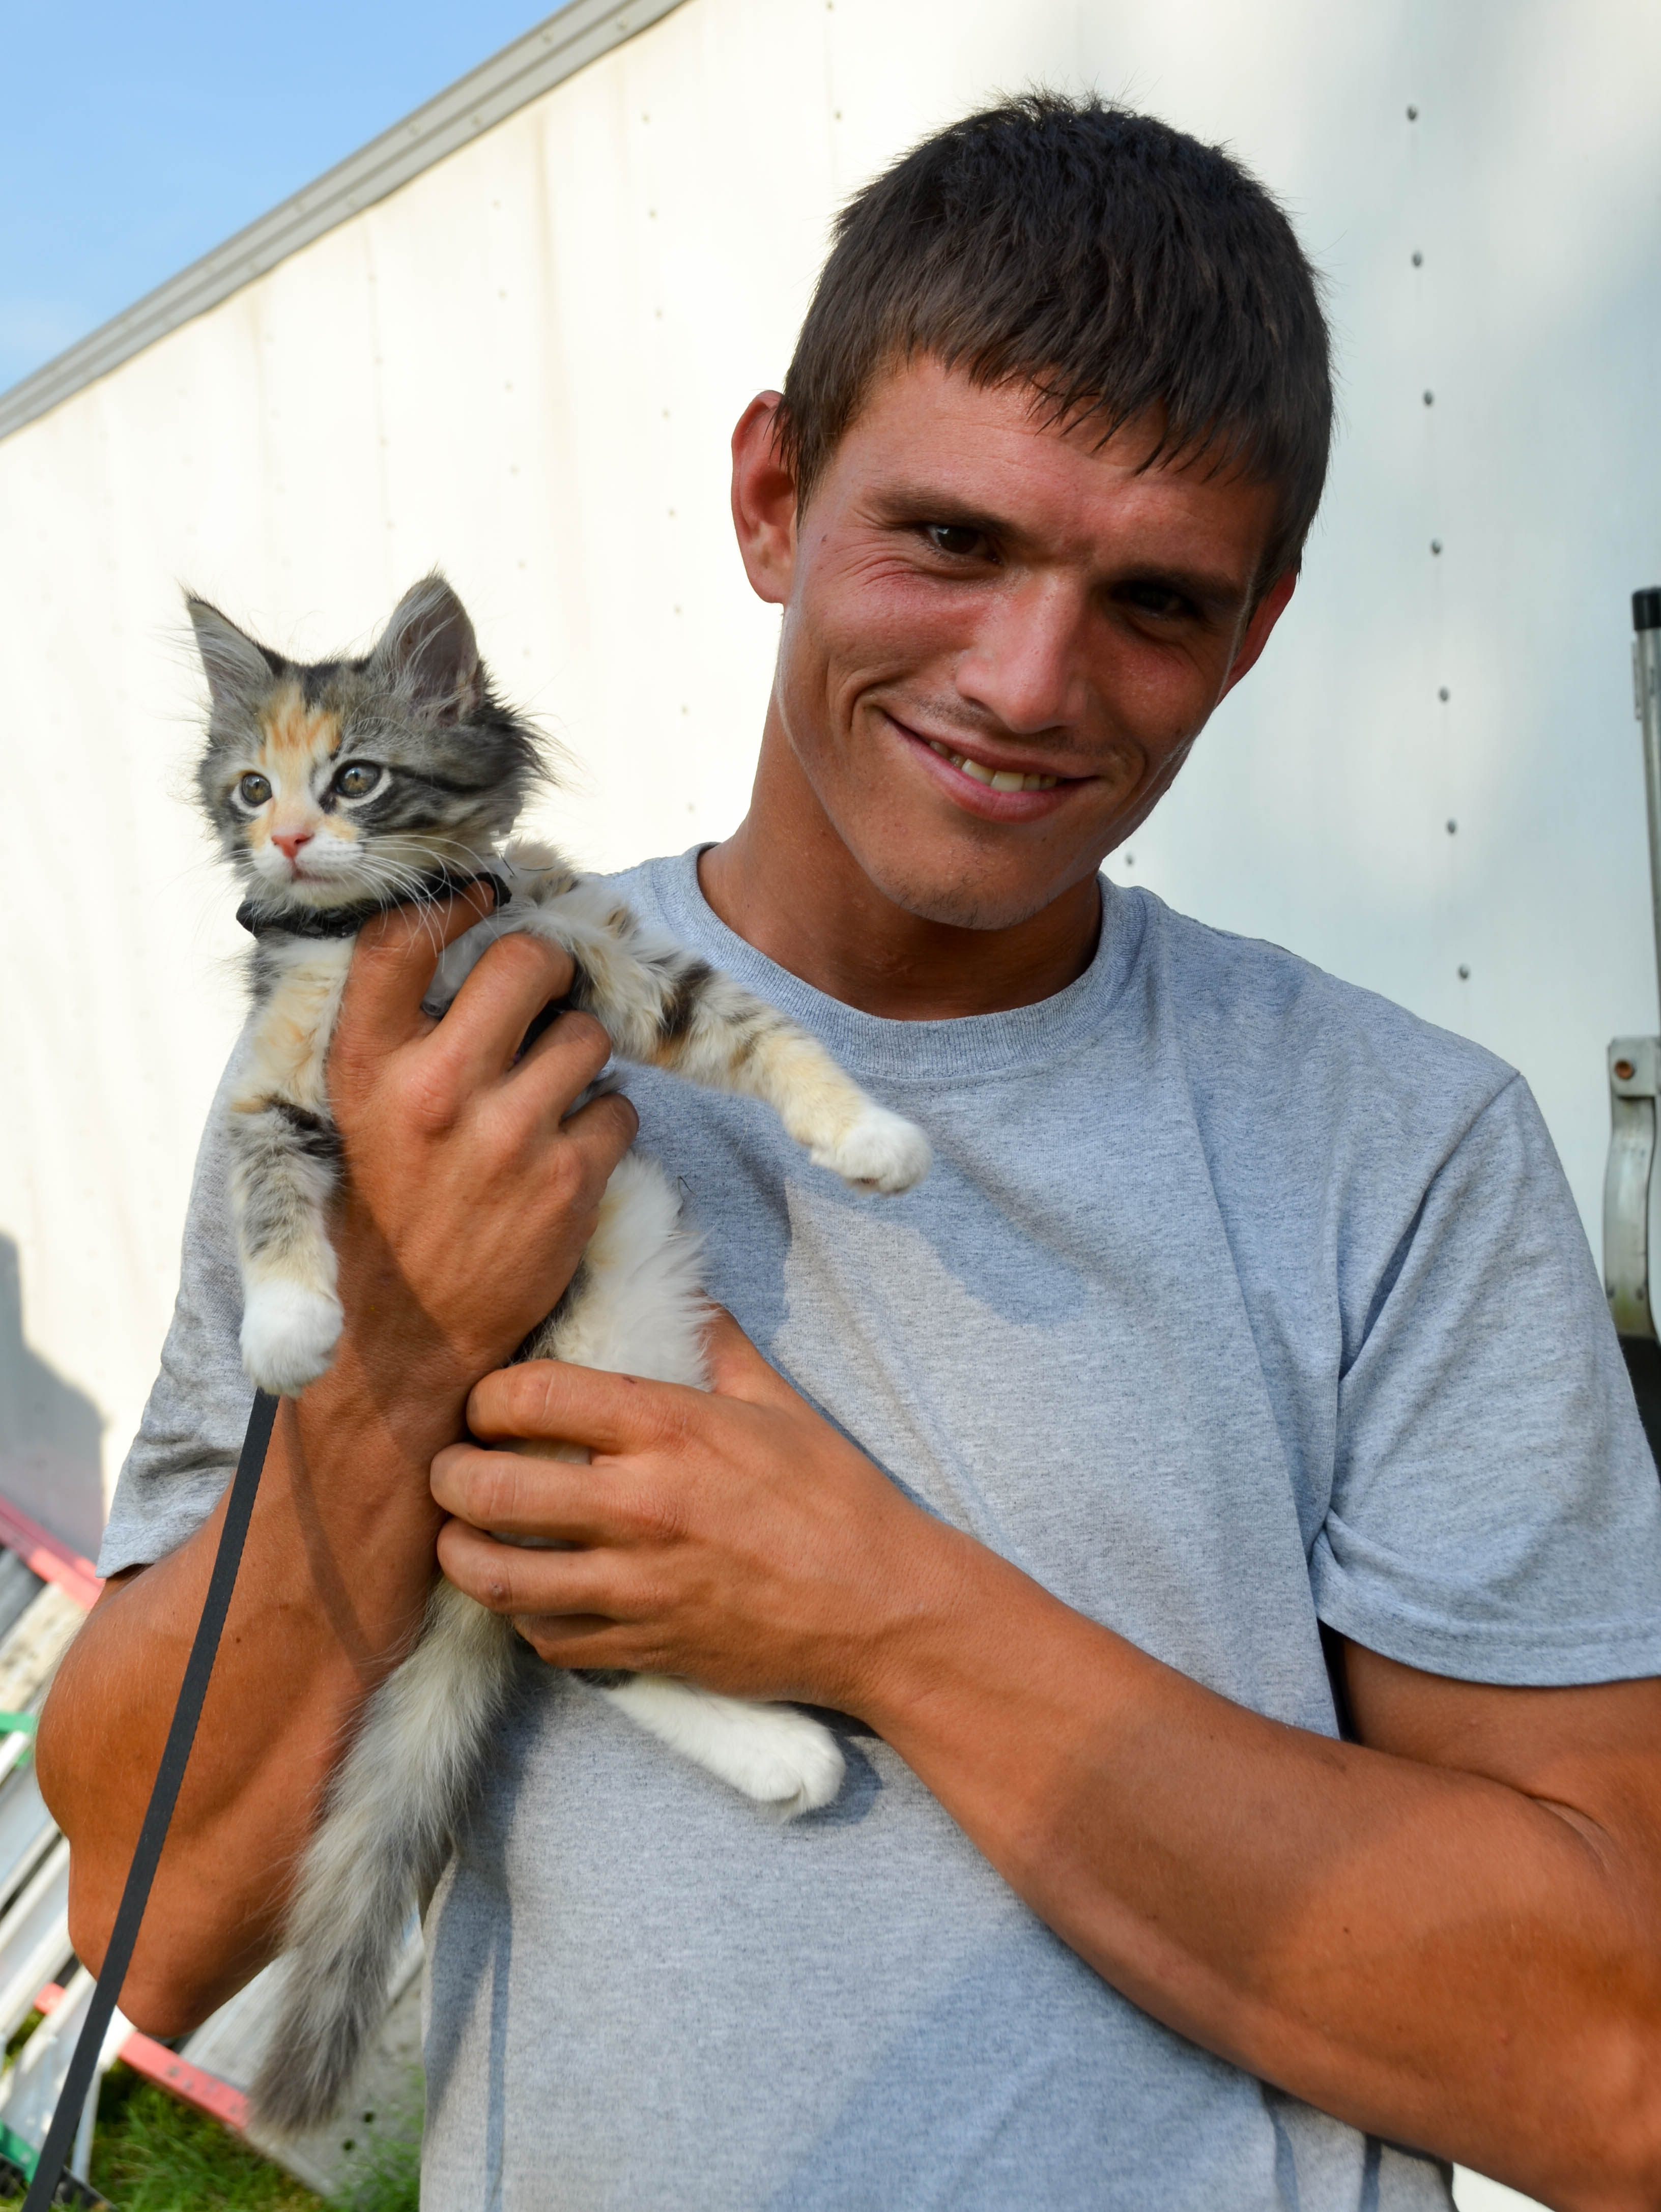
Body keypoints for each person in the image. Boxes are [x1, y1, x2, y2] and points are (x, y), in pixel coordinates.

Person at [37, 94, 1661, 2212]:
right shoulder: (416, 1047)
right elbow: (150, 1912)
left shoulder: (1398, 1145)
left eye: (1156, 602)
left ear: (1260, 629)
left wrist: (879, 1611)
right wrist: (402, 1350)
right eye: (954, 543)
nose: (1026, 680)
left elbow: (1610, 2068)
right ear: (772, 498)